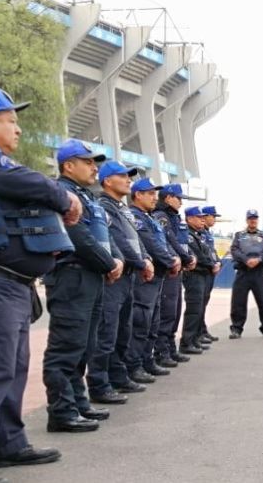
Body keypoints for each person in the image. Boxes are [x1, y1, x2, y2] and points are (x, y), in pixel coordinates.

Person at [0, 89, 77, 482]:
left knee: (10, 369)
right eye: (11, 120)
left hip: (12, 282)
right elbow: (34, 184)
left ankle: (7, 443)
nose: (19, 128)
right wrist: (65, 198)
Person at [43, 139, 124, 433]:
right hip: (71, 275)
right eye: (88, 162)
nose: (94, 168)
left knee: (84, 345)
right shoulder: (62, 193)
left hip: (91, 275)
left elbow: (100, 235)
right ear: (68, 165)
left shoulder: (85, 196)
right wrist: (109, 263)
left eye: (95, 162)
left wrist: (114, 259)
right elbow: (77, 236)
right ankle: (61, 411)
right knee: (67, 345)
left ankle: (77, 402)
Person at [86, 161, 153, 406]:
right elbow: (119, 242)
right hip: (115, 277)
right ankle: (99, 384)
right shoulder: (103, 206)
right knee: (107, 332)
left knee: (123, 330)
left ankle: (118, 375)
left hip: (129, 275)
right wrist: (140, 262)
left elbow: (135, 238)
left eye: (128, 176)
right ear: (107, 181)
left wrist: (145, 258)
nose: (128, 180)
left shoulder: (122, 209)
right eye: (122, 176)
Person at [125, 178, 181, 382]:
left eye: (154, 193)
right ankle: (134, 365)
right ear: (138, 195)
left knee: (153, 322)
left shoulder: (149, 218)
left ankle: (146, 360)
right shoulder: (136, 217)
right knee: (141, 322)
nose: (154, 197)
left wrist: (171, 259)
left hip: (158, 275)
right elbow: (150, 244)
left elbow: (163, 242)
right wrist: (171, 260)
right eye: (149, 193)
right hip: (145, 276)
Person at [152, 184, 196, 367]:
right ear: (168, 198)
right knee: (167, 312)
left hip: (177, 268)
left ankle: (170, 348)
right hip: (168, 268)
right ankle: (161, 352)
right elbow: (169, 240)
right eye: (178, 198)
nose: (181, 202)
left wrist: (186, 258)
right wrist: (185, 258)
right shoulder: (161, 217)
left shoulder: (174, 217)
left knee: (175, 311)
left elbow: (180, 242)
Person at [229, 209, 263, 338]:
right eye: (250, 218)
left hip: (259, 272)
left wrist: (258, 260)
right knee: (238, 302)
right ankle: (237, 329)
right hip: (243, 271)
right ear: (247, 220)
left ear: (257, 220)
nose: (253, 220)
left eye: (255, 218)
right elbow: (234, 250)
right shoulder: (239, 235)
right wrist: (246, 260)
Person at [180, 206, 219, 353]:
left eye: (203, 217)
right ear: (189, 219)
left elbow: (209, 252)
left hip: (203, 274)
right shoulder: (188, 235)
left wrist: (216, 262)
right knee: (193, 309)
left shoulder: (199, 234)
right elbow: (198, 255)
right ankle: (187, 342)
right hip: (194, 274)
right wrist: (211, 264)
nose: (202, 219)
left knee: (199, 309)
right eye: (198, 217)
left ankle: (195, 339)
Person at [199, 206, 223, 342]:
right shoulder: (200, 232)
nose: (214, 219)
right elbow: (202, 253)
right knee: (199, 304)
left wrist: (219, 262)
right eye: (212, 216)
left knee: (204, 303)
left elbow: (213, 252)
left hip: (210, 271)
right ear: (205, 216)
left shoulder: (207, 233)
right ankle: (199, 333)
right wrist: (212, 264)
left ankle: (202, 330)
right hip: (203, 271)